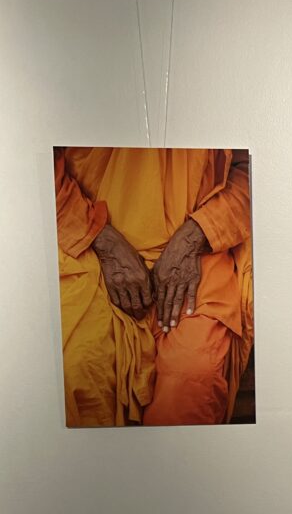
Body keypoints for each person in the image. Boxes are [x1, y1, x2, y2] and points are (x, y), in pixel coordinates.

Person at [55, 147, 254, 427]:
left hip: (198, 252)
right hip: (89, 245)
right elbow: (40, 168)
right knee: (80, 367)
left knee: (194, 376)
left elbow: (253, 171)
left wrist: (198, 234)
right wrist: (100, 238)